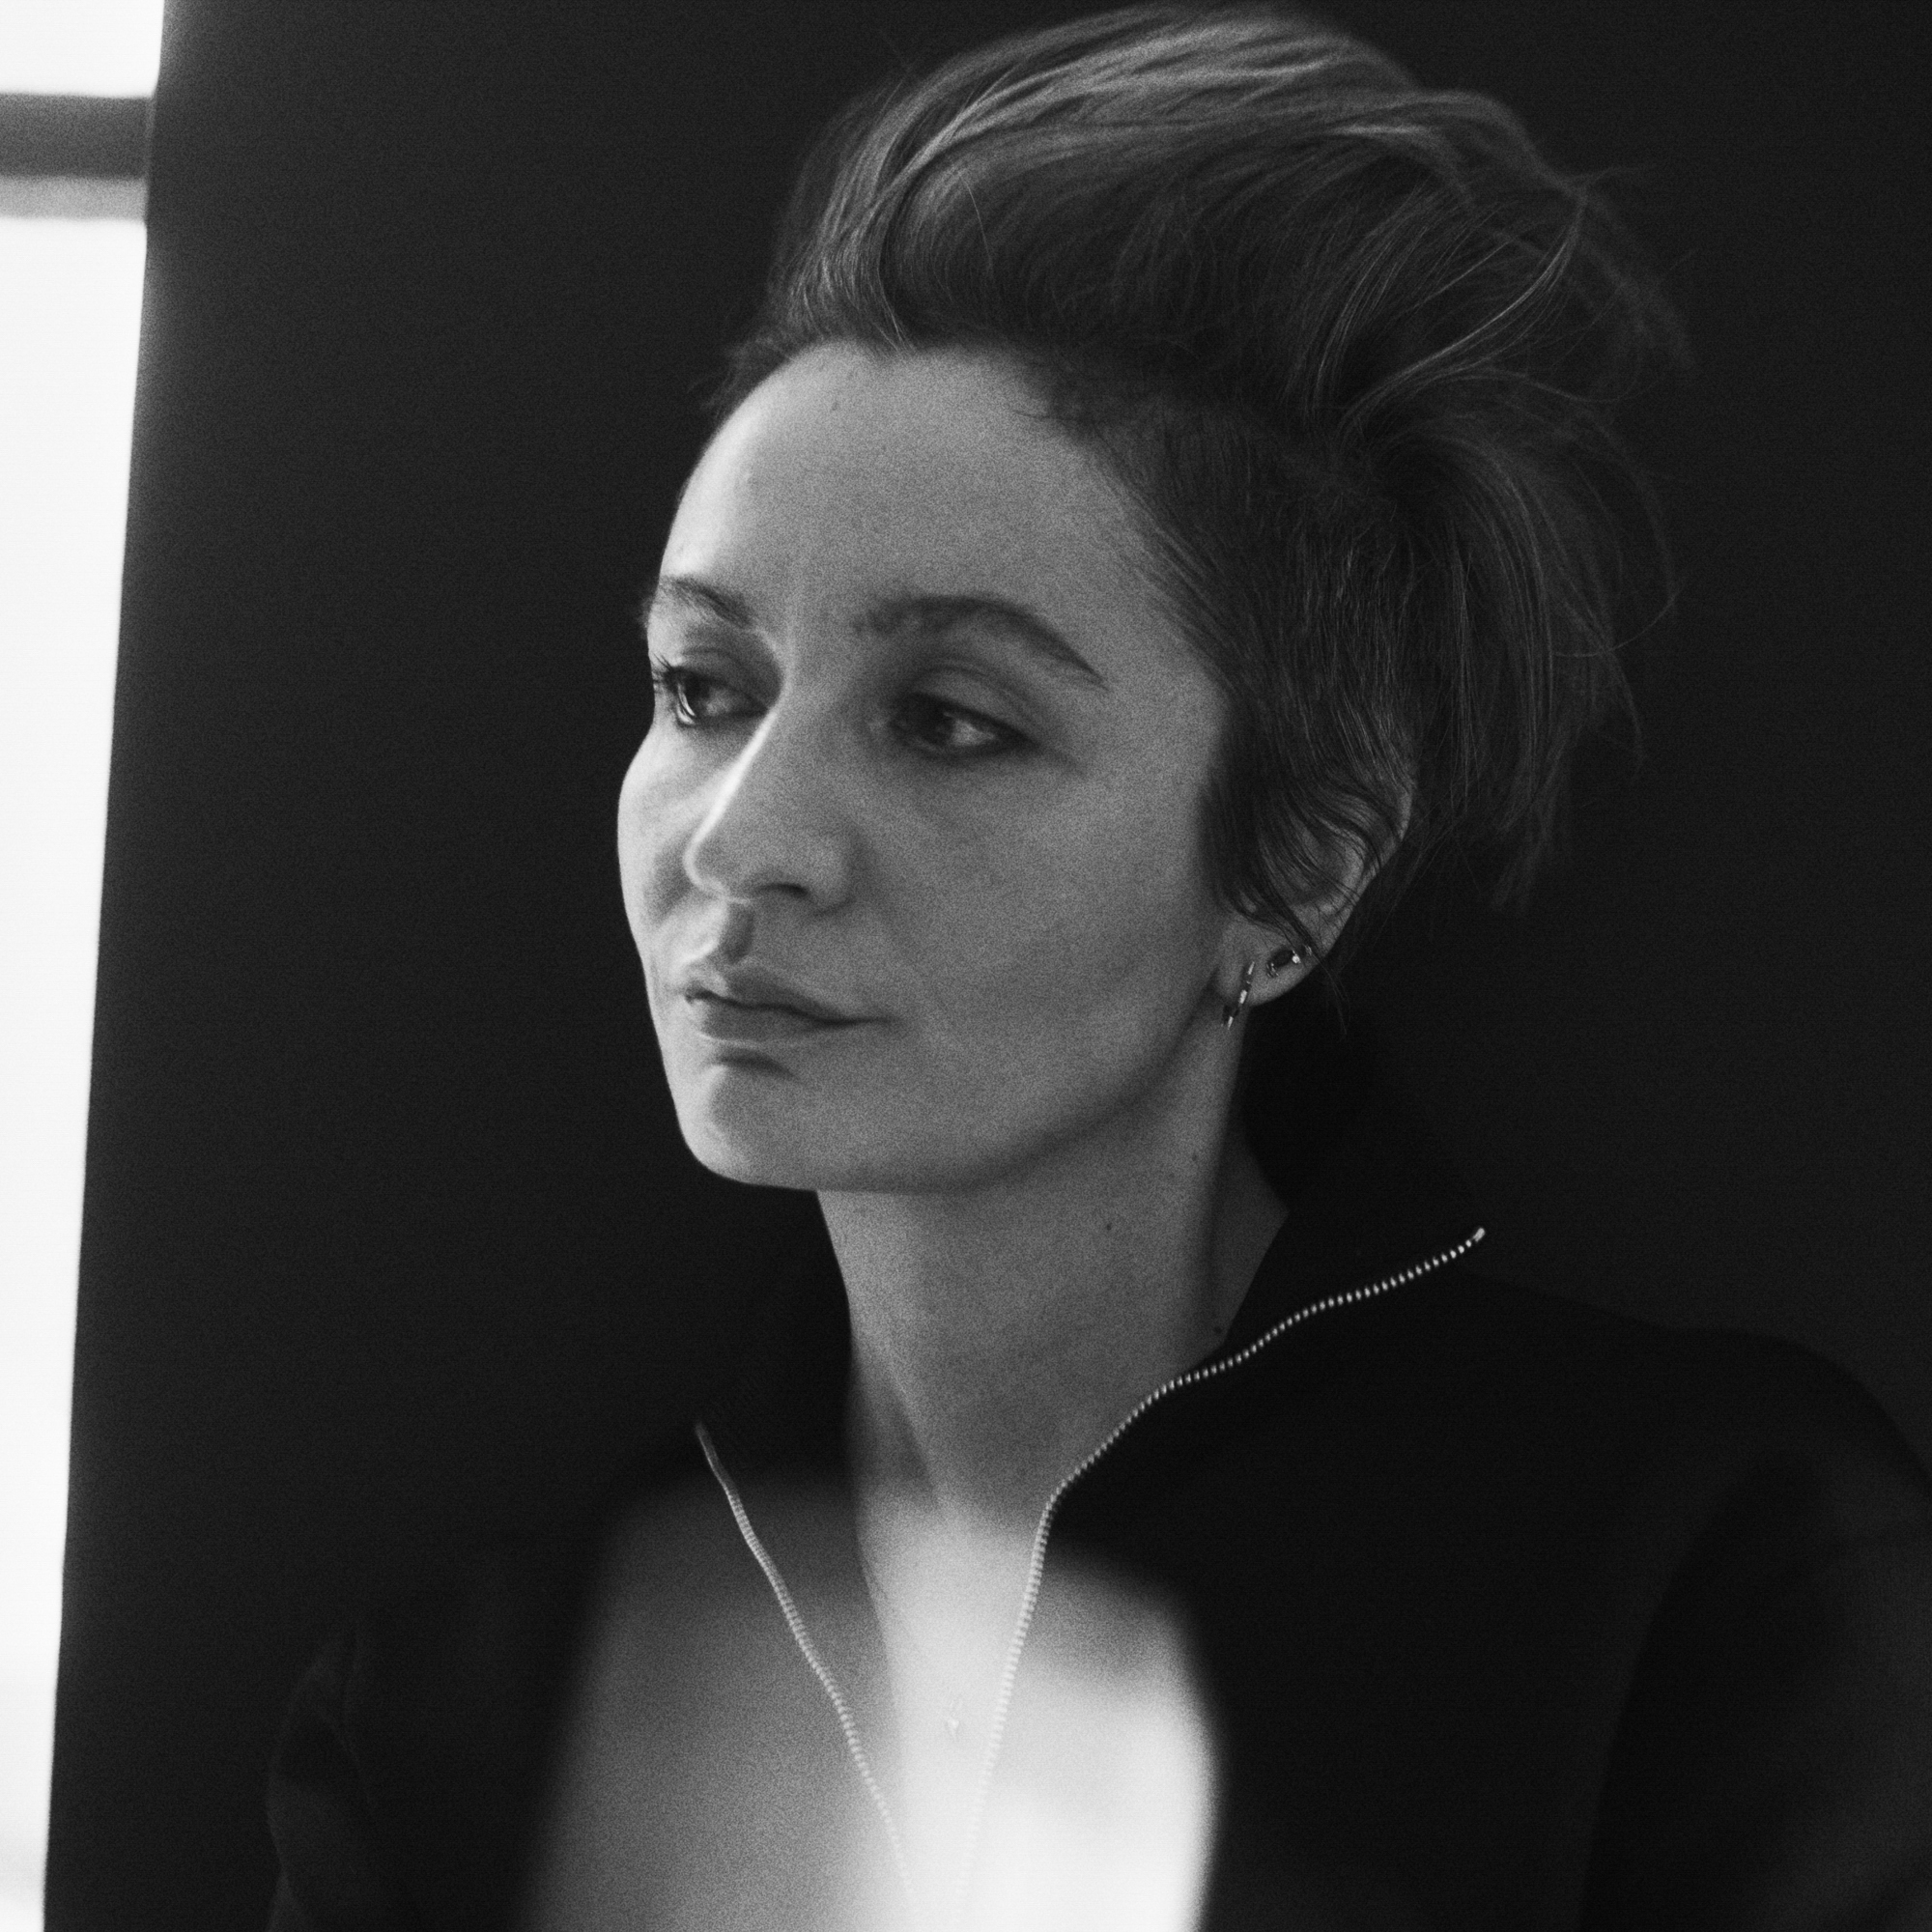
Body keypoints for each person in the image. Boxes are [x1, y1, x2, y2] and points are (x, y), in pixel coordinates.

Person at [264, 7, 1932, 1928]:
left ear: (1292, 860)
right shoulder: (458, 1719)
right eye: (703, 688)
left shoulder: (1713, 1580)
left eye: (953, 720)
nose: (738, 836)